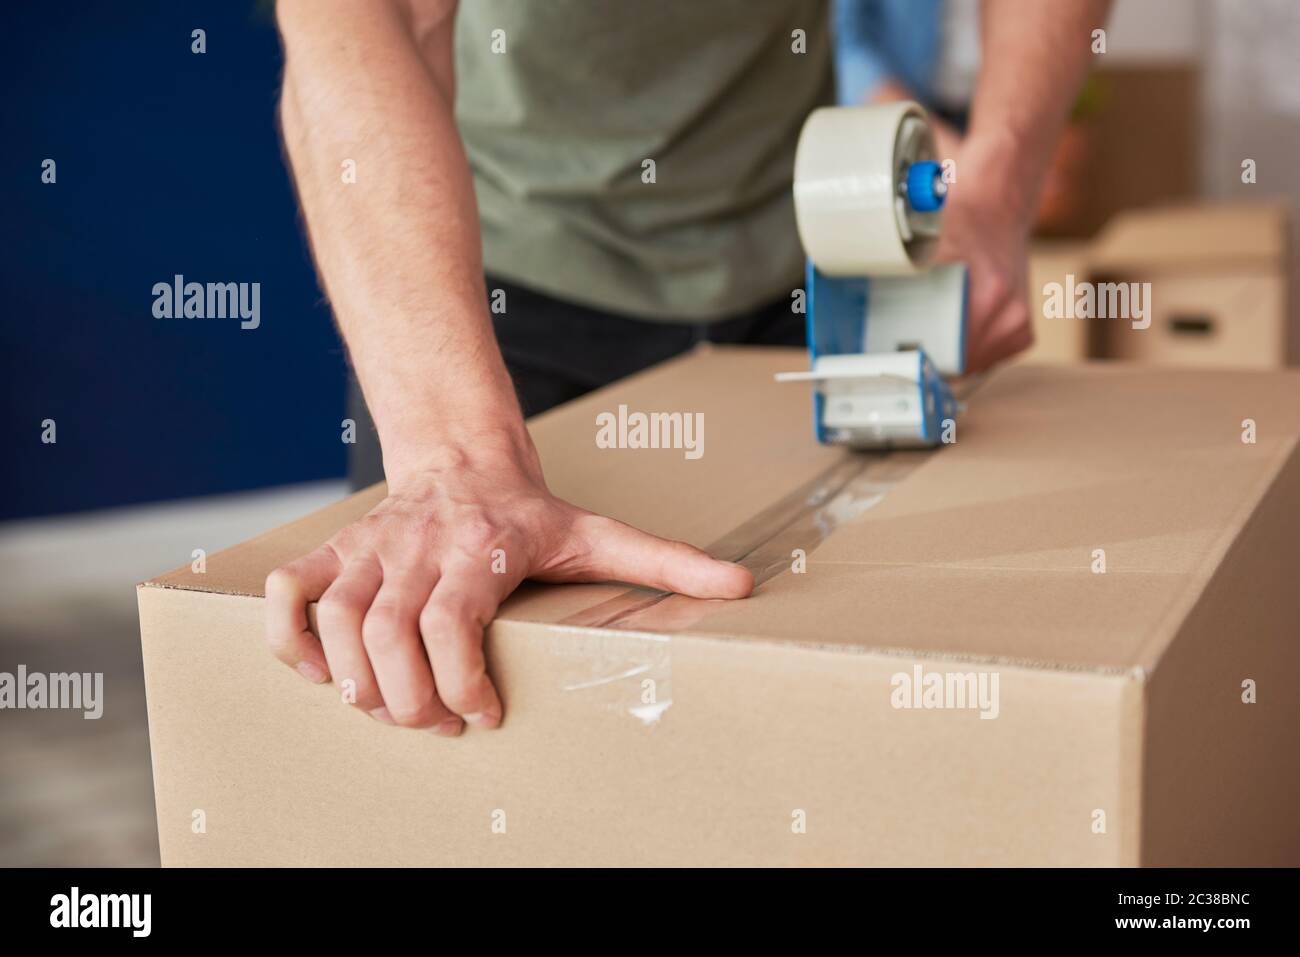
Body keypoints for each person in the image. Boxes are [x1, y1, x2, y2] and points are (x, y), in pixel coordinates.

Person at [268, 0, 1109, 735]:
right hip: (490, 290)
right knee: (445, 677)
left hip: (789, 263)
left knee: (787, 707)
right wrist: (454, 459)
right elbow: (372, 18)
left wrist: (998, 191)